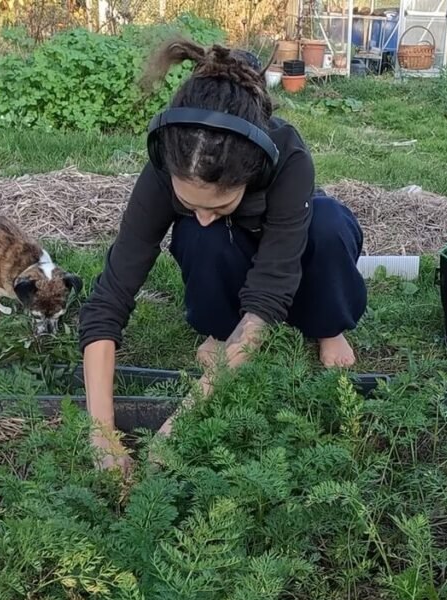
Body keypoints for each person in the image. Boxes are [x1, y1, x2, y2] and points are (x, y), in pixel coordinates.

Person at [78, 39, 368, 474]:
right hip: (231, 256)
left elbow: (267, 298)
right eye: (188, 199)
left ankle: (328, 327)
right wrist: (102, 434)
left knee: (326, 224)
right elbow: (109, 299)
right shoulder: (166, 167)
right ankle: (218, 330)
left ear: (251, 172)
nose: (205, 214)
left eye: (219, 202)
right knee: (200, 235)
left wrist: (177, 425)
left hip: (290, 253)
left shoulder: (288, 157)